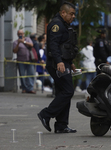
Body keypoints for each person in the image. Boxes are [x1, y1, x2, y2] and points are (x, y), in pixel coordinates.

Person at [37, 1, 77, 133]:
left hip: (62, 63)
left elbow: (64, 45)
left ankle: (61, 125)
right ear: (63, 12)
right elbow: (53, 45)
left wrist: (69, 62)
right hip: (56, 64)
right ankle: (46, 114)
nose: (73, 17)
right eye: (71, 14)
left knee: (63, 92)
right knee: (68, 91)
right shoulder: (57, 24)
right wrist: (60, 62)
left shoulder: (63, 24)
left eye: (74, 14)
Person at [13, 29, 36, 94]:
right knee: (22, 75)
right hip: (21, 61)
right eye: (19, 34)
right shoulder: (15, 42)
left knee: (30, 74)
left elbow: (31, 45)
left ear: (23, 34)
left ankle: (30, 88)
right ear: (17, 35)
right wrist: (18, 43)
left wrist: (24, 42)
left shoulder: (28, 39)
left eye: (21, 33)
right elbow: (14, 51)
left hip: (29, 60)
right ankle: (24, 88)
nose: (20, 35)